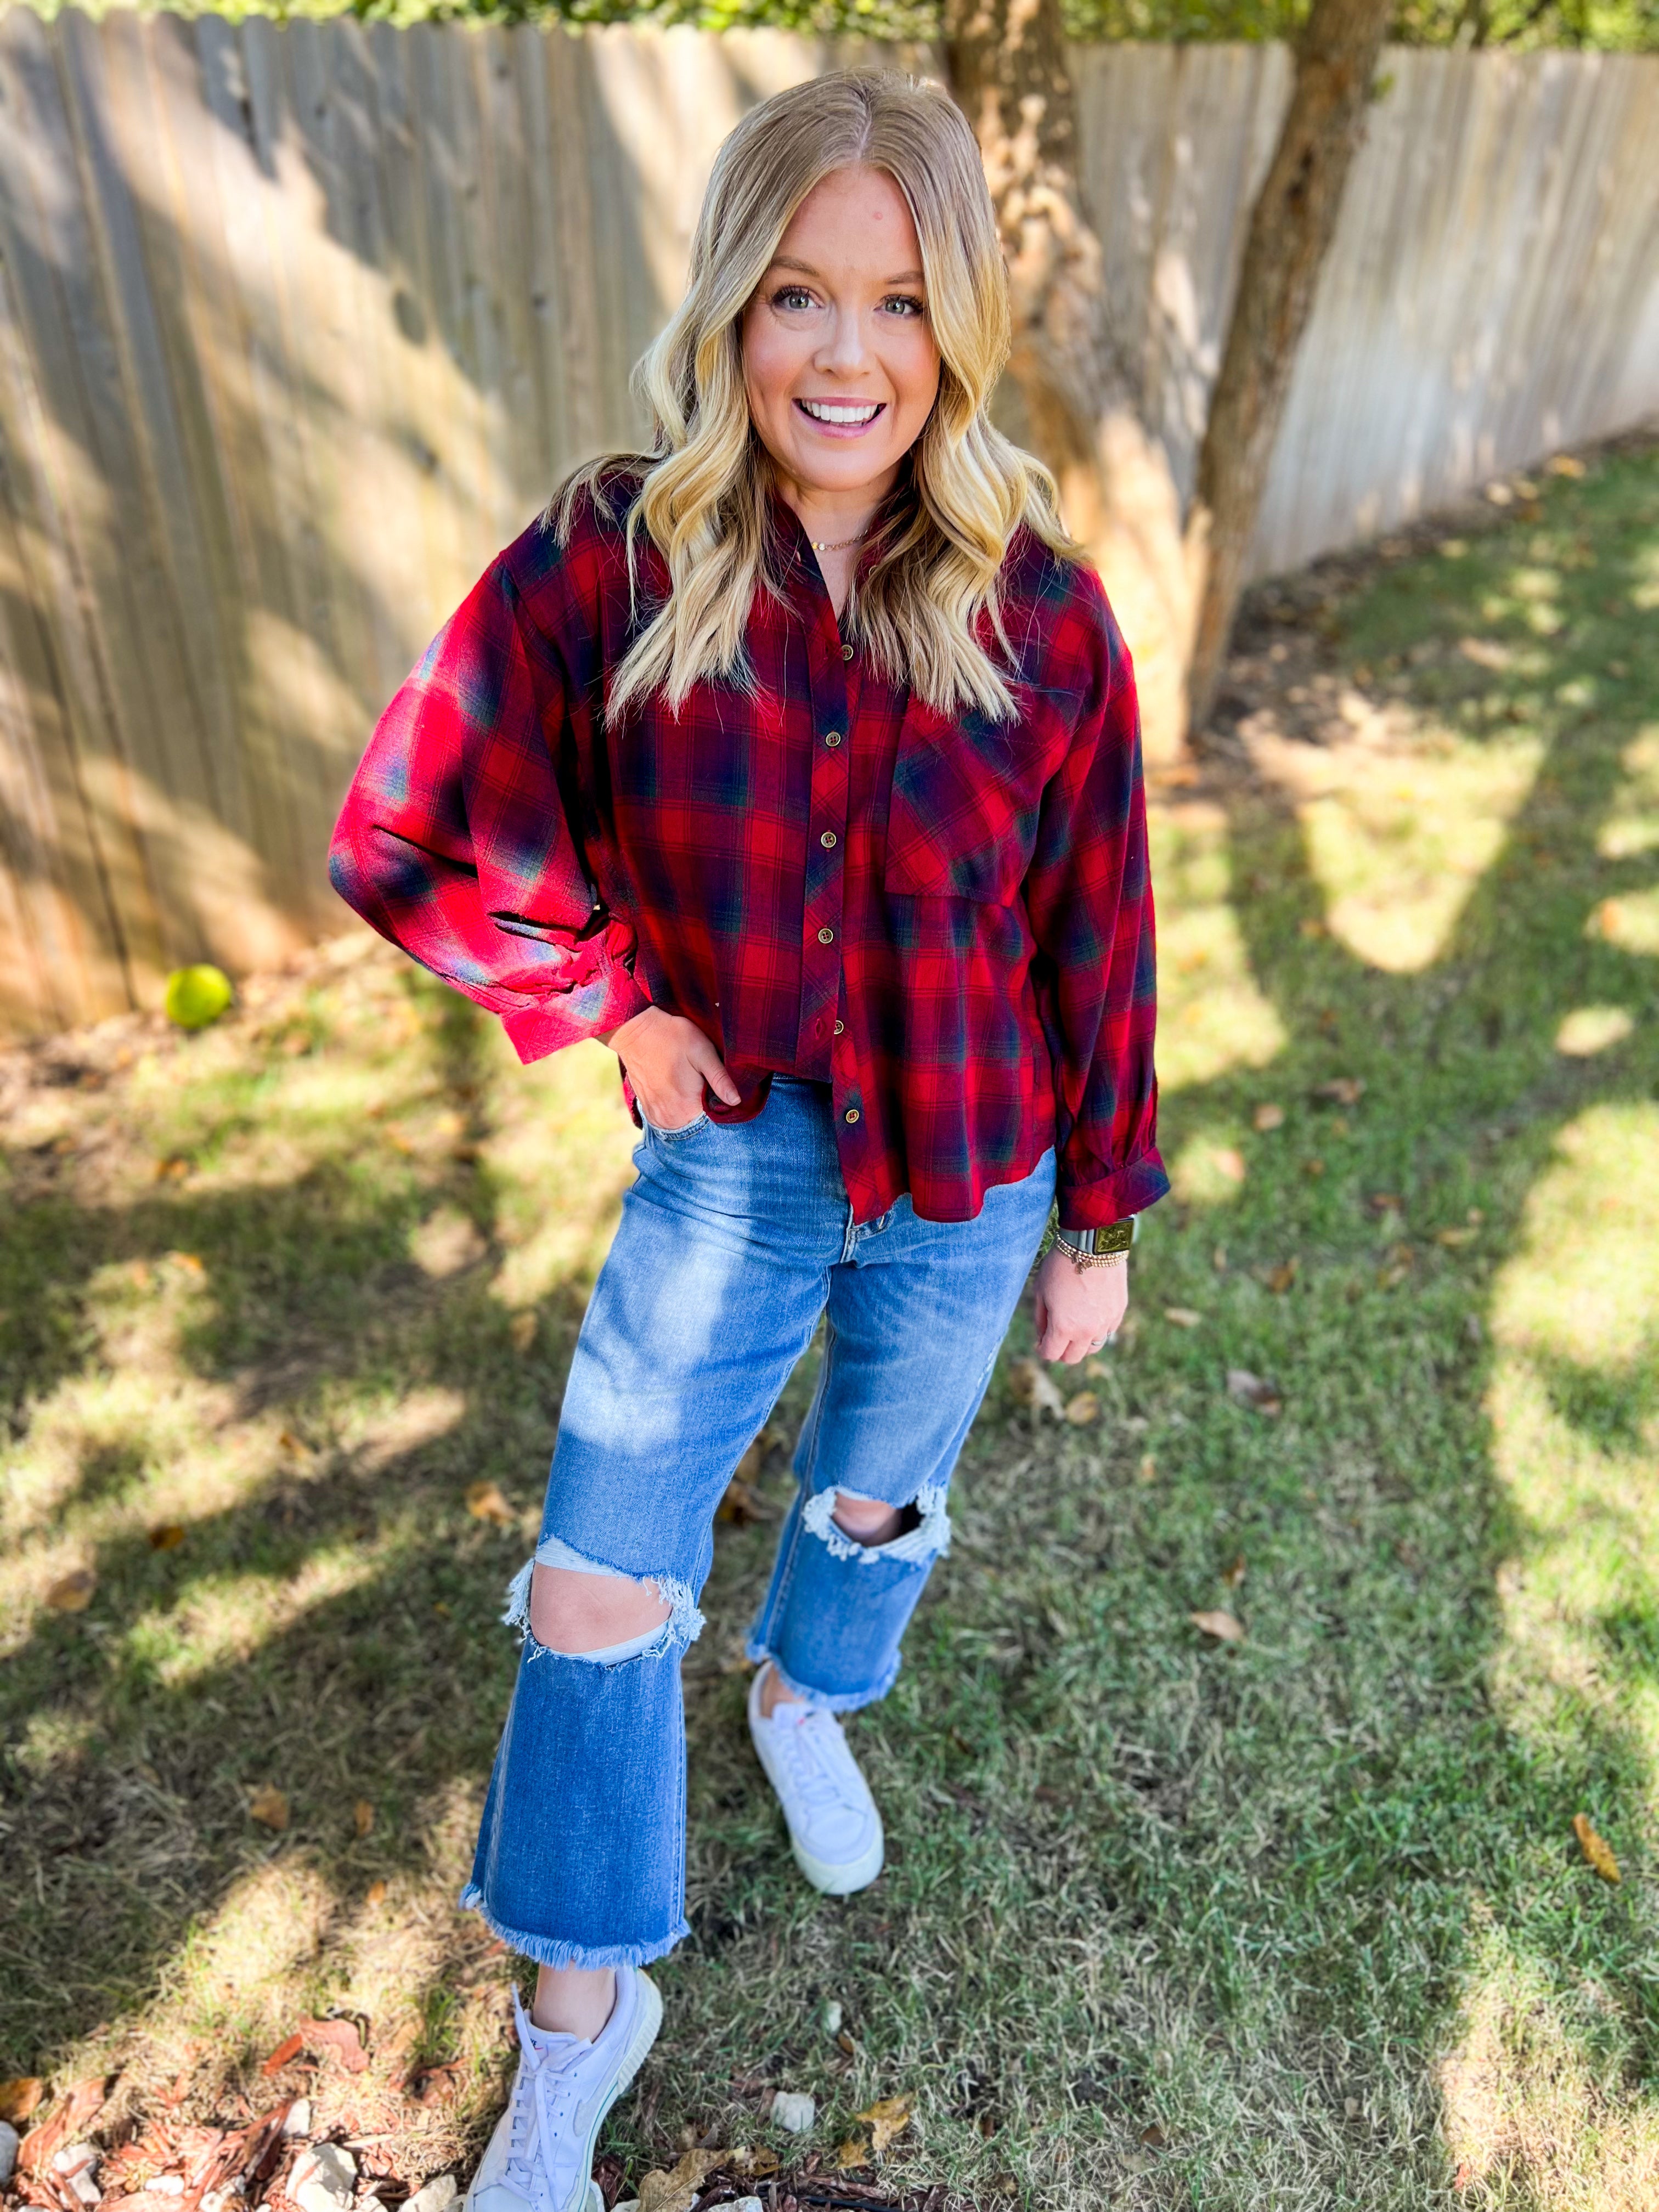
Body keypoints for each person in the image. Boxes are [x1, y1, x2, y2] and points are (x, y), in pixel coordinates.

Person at [329, 68, 1166, 2212]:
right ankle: (584, 2030)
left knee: (879, 1492)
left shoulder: (1042, 607)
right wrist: (607, 997)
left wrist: (1099, 1211)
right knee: (604, 1586)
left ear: (958, 324)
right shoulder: (616, 554)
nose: (848, 353)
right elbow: (414, 825)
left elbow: (1098, 925)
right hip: (738, 1169)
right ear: (730, 309)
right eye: (800, 294)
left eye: (897, 302)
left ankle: (809, 1693)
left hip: (975, 1169)